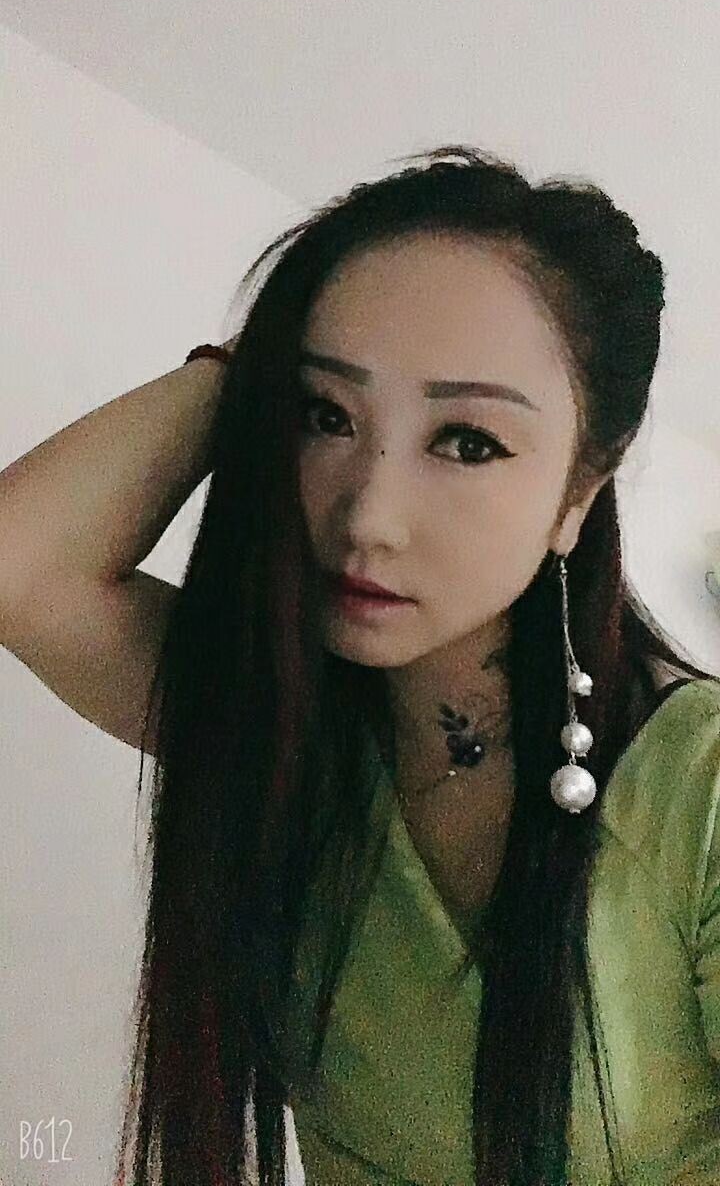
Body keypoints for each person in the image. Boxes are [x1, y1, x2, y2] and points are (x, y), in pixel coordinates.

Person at [1, 145, 719, 1186]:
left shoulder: (697, 789)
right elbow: (22, 568)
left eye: (467, 441)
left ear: (579, 491)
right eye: (325, 416)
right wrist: (250, 370)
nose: (369, 516)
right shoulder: (291, 734)